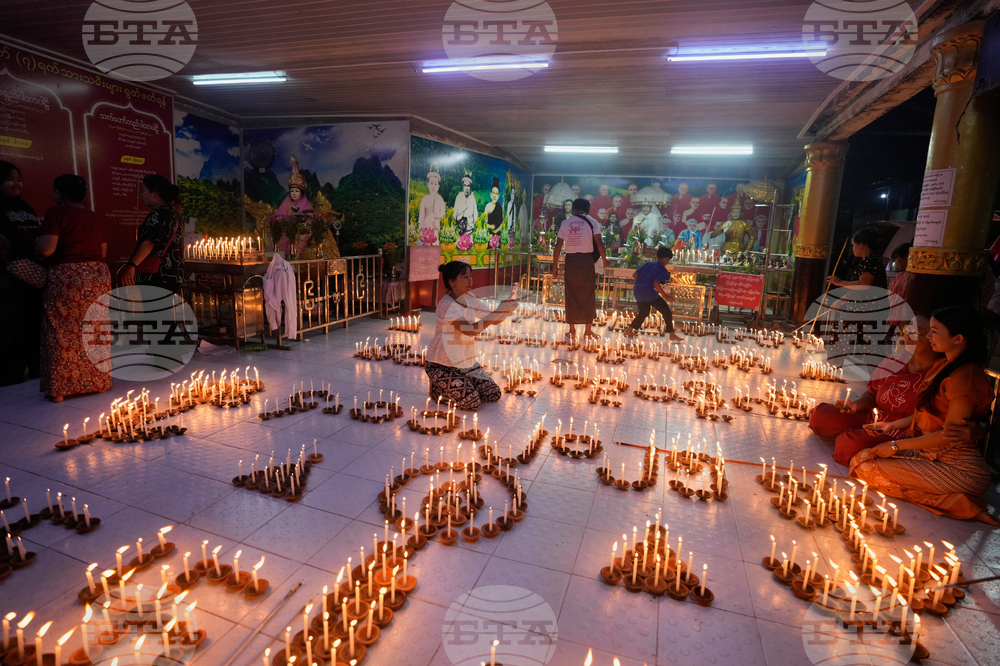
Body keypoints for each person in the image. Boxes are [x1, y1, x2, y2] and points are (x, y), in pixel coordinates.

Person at [850, 307, 998, 524]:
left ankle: (962, 505)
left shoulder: (964, 378)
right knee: (862, 459)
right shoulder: (945, 366)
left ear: (957, 339)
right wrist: (891, 426)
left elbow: (950, 435)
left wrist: (895, 446)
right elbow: (929, 412)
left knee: (867, 468)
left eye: (934, 331)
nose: (928, 337)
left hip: (959, 468)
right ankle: (953, 500)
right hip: (929, 453)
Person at [809, 316, 940, 464]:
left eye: (917, 332)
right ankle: (852, 436)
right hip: (872, 418)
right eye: (907, 329)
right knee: (820, 416)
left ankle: (851, 438)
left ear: (934, 339)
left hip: (900, 432)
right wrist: (857, 405)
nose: (908, 334)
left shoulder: (939, 373)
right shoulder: (895, 360)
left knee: (848, 445)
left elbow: (926, 419)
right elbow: (872, 394)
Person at [35, 175, 112, 401]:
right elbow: (104, 251)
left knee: (61, 329)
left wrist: (35, 244)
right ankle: (98, 382)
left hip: (68, 277)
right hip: (97, 275)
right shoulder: (95, 218)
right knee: (95, 329)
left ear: (58, 193)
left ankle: (60, 389)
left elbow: (46, 249)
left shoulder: (56, 214)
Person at [425, 261, 517, 410]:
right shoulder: (447, 305)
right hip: (442, 365)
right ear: (452, 282)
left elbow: (494, 320)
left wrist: (505, 309)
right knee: (472, 402)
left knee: (492, 393)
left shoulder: (470, 298)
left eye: (470, 276)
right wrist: (497, 311)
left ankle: (463, 383)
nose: (470, 280)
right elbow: (470, 330)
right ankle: (437, 390)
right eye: (465, 277)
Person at [0, 161, 43, 386]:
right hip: (7, 277)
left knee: (34, 325)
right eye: (11, 179)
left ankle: (36, 368)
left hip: (31, 275)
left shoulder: (26, 208)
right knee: (10, 327)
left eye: (19, 179)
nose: (16, 184)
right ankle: (10, 374)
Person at [552, 199, 609, 341]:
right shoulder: (592, 222)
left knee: (571, 294)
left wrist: (554, 266)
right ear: (587, 209)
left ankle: (572, 330)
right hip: (586, 261)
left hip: (571, 262)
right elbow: (600, 243)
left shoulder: (565, 223)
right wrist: (605, 259)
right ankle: (588, 331)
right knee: (587, 294)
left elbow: (558, 246)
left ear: (574, 209)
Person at [122, 174, 184, 292]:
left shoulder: (158, 213)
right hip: (173, 275)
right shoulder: (176, 214)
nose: (141, 194)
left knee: (154, 310)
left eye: (143, 190)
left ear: (155, 193)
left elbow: (150, 242)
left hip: (157, 275)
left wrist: (132, 265)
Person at [624, 246, 684, 341]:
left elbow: (635, 275)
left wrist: (641, 284)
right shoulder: (662, 269)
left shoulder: (647, 264)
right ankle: (672, 334)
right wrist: (666, 297)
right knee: (666, 311)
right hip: (649, 293)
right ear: (666, 259)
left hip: (637, 290)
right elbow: (656, 283)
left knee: (643, 312)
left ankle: (629, 330)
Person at [418, 165, 446, 238]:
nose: (433, 186)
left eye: (435, 184)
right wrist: (421, 228)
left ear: (438, 186)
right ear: (428, 185)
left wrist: (437, 216)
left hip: (436, 228)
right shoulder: (424, 199)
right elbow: (421, 216)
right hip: (425, 227)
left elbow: (443, 217)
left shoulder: (440, 200)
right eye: (431, 183)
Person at [453, 171, 478, 237]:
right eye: (465, 185)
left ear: (470, 187)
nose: (466, 188)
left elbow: (475, 214)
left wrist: (475, 226)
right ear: (463, 186)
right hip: (459, 228)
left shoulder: (472, 199)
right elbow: (455, 211)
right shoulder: (459, 196)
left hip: (469, 230)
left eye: (468, 186)